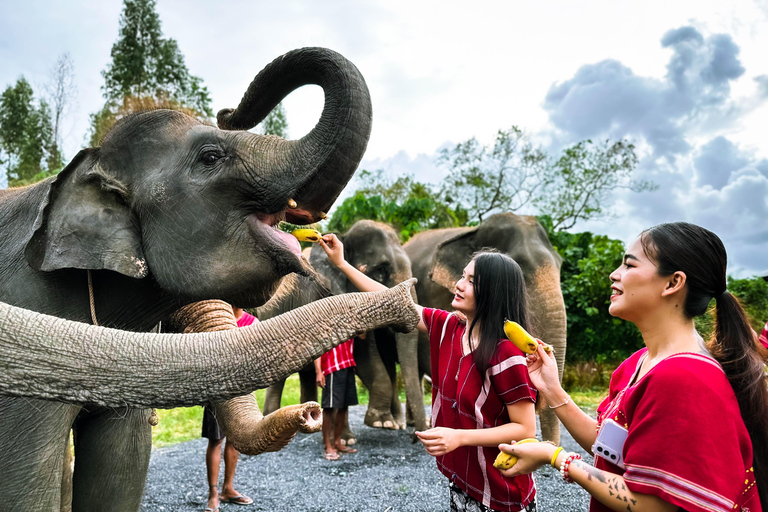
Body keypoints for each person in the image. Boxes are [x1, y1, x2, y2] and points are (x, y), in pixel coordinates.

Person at [498, 222, 768, 512]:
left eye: (629, 265)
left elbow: (655, 504)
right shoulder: (638, 363)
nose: (614, 275)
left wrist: (557, 456)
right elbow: (612, 448)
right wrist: (552, 389)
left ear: (672, 283)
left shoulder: (686, 379)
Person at [320, 234, 538, 512]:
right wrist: (342, 263)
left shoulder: (507, 354)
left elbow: (525, 428)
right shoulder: (449, 327)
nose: (458, 285)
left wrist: (460, 437)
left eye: (472, 281)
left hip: (500, 492)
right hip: (462, 479)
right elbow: (392, 302)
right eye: (462, 276)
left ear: (493, 292)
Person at [202, 305, 256, 511]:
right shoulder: (212, 320)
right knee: (216, 441)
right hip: (216, 392)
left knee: (234, 441)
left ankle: (228, 488)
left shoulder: (252, 323)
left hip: (241, 392)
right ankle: (213, 494)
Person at [315, 334, 360, 460]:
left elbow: (362, 336)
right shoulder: (325, 326)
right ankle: (327, 446)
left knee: (344, 407)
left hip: (348, 365)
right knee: (329, 407)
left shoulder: (349, 324)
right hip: (331, 368)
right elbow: (318, 348)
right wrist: (319, 372)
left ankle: (337, 442)